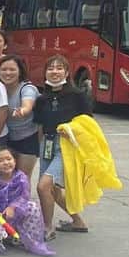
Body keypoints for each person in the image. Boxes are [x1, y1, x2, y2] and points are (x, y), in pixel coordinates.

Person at [33, 54, 93, 239]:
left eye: (59, 68)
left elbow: (88, 123)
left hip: (67, 146)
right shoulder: (42, 99)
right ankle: (78, 222)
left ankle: (47, 227)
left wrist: (73, 131)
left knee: (43, 186)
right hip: (47, 145)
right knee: (53, 189)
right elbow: (40, 126)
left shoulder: (77, 95)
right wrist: (39, 149)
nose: (55, 72)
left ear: (67, 72)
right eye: (51, 68)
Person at [0, 145, 54, 256]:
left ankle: (29, 239)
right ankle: (4, 236)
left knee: (32, 207)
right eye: (1, 161)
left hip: (15, 212)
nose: (6, 163)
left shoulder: (21, 177)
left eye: (9, 159)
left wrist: (13, 207)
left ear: (15, 161)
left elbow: (24, 197)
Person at [0, 55, 39, 180]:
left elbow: (27, 104)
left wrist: (23, 110)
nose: (7, 73)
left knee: (22, 178)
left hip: (27, 139)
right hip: (6, 138)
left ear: (20, 71)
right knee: (6, 177)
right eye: (4, 69)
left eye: (12, 69)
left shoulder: (27, 88)